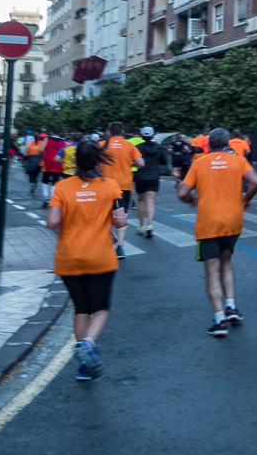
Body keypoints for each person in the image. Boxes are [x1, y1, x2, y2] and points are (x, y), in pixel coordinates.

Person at [47, 140, 127, 381]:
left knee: (81, 307)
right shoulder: (111, 186)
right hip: (100, 256)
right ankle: (88, 344)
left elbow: (52, 222)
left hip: (69, 256)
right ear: (98, 159)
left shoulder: (62, 187)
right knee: (100, 308)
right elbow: (121, 221)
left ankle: (83, 366)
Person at [178, 128, 257, 338]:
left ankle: (219, 320)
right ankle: (231, 307)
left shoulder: (199, 163)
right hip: (233, 220)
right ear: (229, 144)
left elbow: (182, 192)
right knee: (227, 261)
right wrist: (246, 199)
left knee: (212, 270)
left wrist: (192, 201)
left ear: (208, 145)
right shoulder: (238, 161)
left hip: (208, 223)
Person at [100, 122, 144, 259]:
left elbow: (94, 162)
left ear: (110, 132)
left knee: (105, 216)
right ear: (123, 132)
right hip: (124, 187)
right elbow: (141, 163)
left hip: (104, 185)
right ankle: (120, 248)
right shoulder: (129, 145)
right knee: (122, 216)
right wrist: (130, 163)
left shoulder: (102, 145)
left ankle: (108, 240)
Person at [134, 127, 167, 239]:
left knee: (141, 200)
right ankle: (150, 224)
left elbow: (135, 161)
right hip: (154, 176)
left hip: (141, 176)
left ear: (142, 136)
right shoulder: (159, 148)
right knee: (150, 201)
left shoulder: (138, 148)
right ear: (153, 135)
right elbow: (163, 161)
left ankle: (141, 225)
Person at [40, 130, 67, 209]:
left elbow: (41, 149)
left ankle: (45, 198)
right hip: (58, 162)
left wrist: (44, 154)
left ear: (52, 132)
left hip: (47, 162)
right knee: (55, 181)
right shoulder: (63, 142)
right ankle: (52, 198)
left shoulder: (47, 139)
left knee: (45, 180)